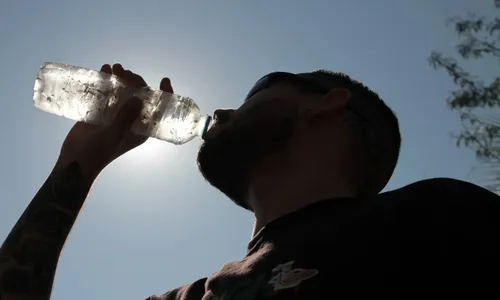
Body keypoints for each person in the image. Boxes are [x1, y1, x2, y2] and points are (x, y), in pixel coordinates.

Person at [0, 63, 499, 300]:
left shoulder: (433, 219)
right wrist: (78, 166)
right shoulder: (190, 298)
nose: (222, 110)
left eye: (256, 90)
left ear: (328, 103)